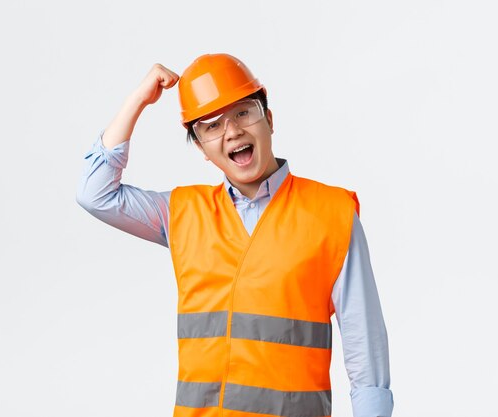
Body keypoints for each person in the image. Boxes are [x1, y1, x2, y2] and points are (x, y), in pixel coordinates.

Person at [76, 53, 394, 417]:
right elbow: (94, 193)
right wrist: (138, 100)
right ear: (202, 148)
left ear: (269, 120)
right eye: (211, 125)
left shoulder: (331, 213)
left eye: (243, 112)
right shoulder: (181, 213)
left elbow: (365, 346)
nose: (232, 131)